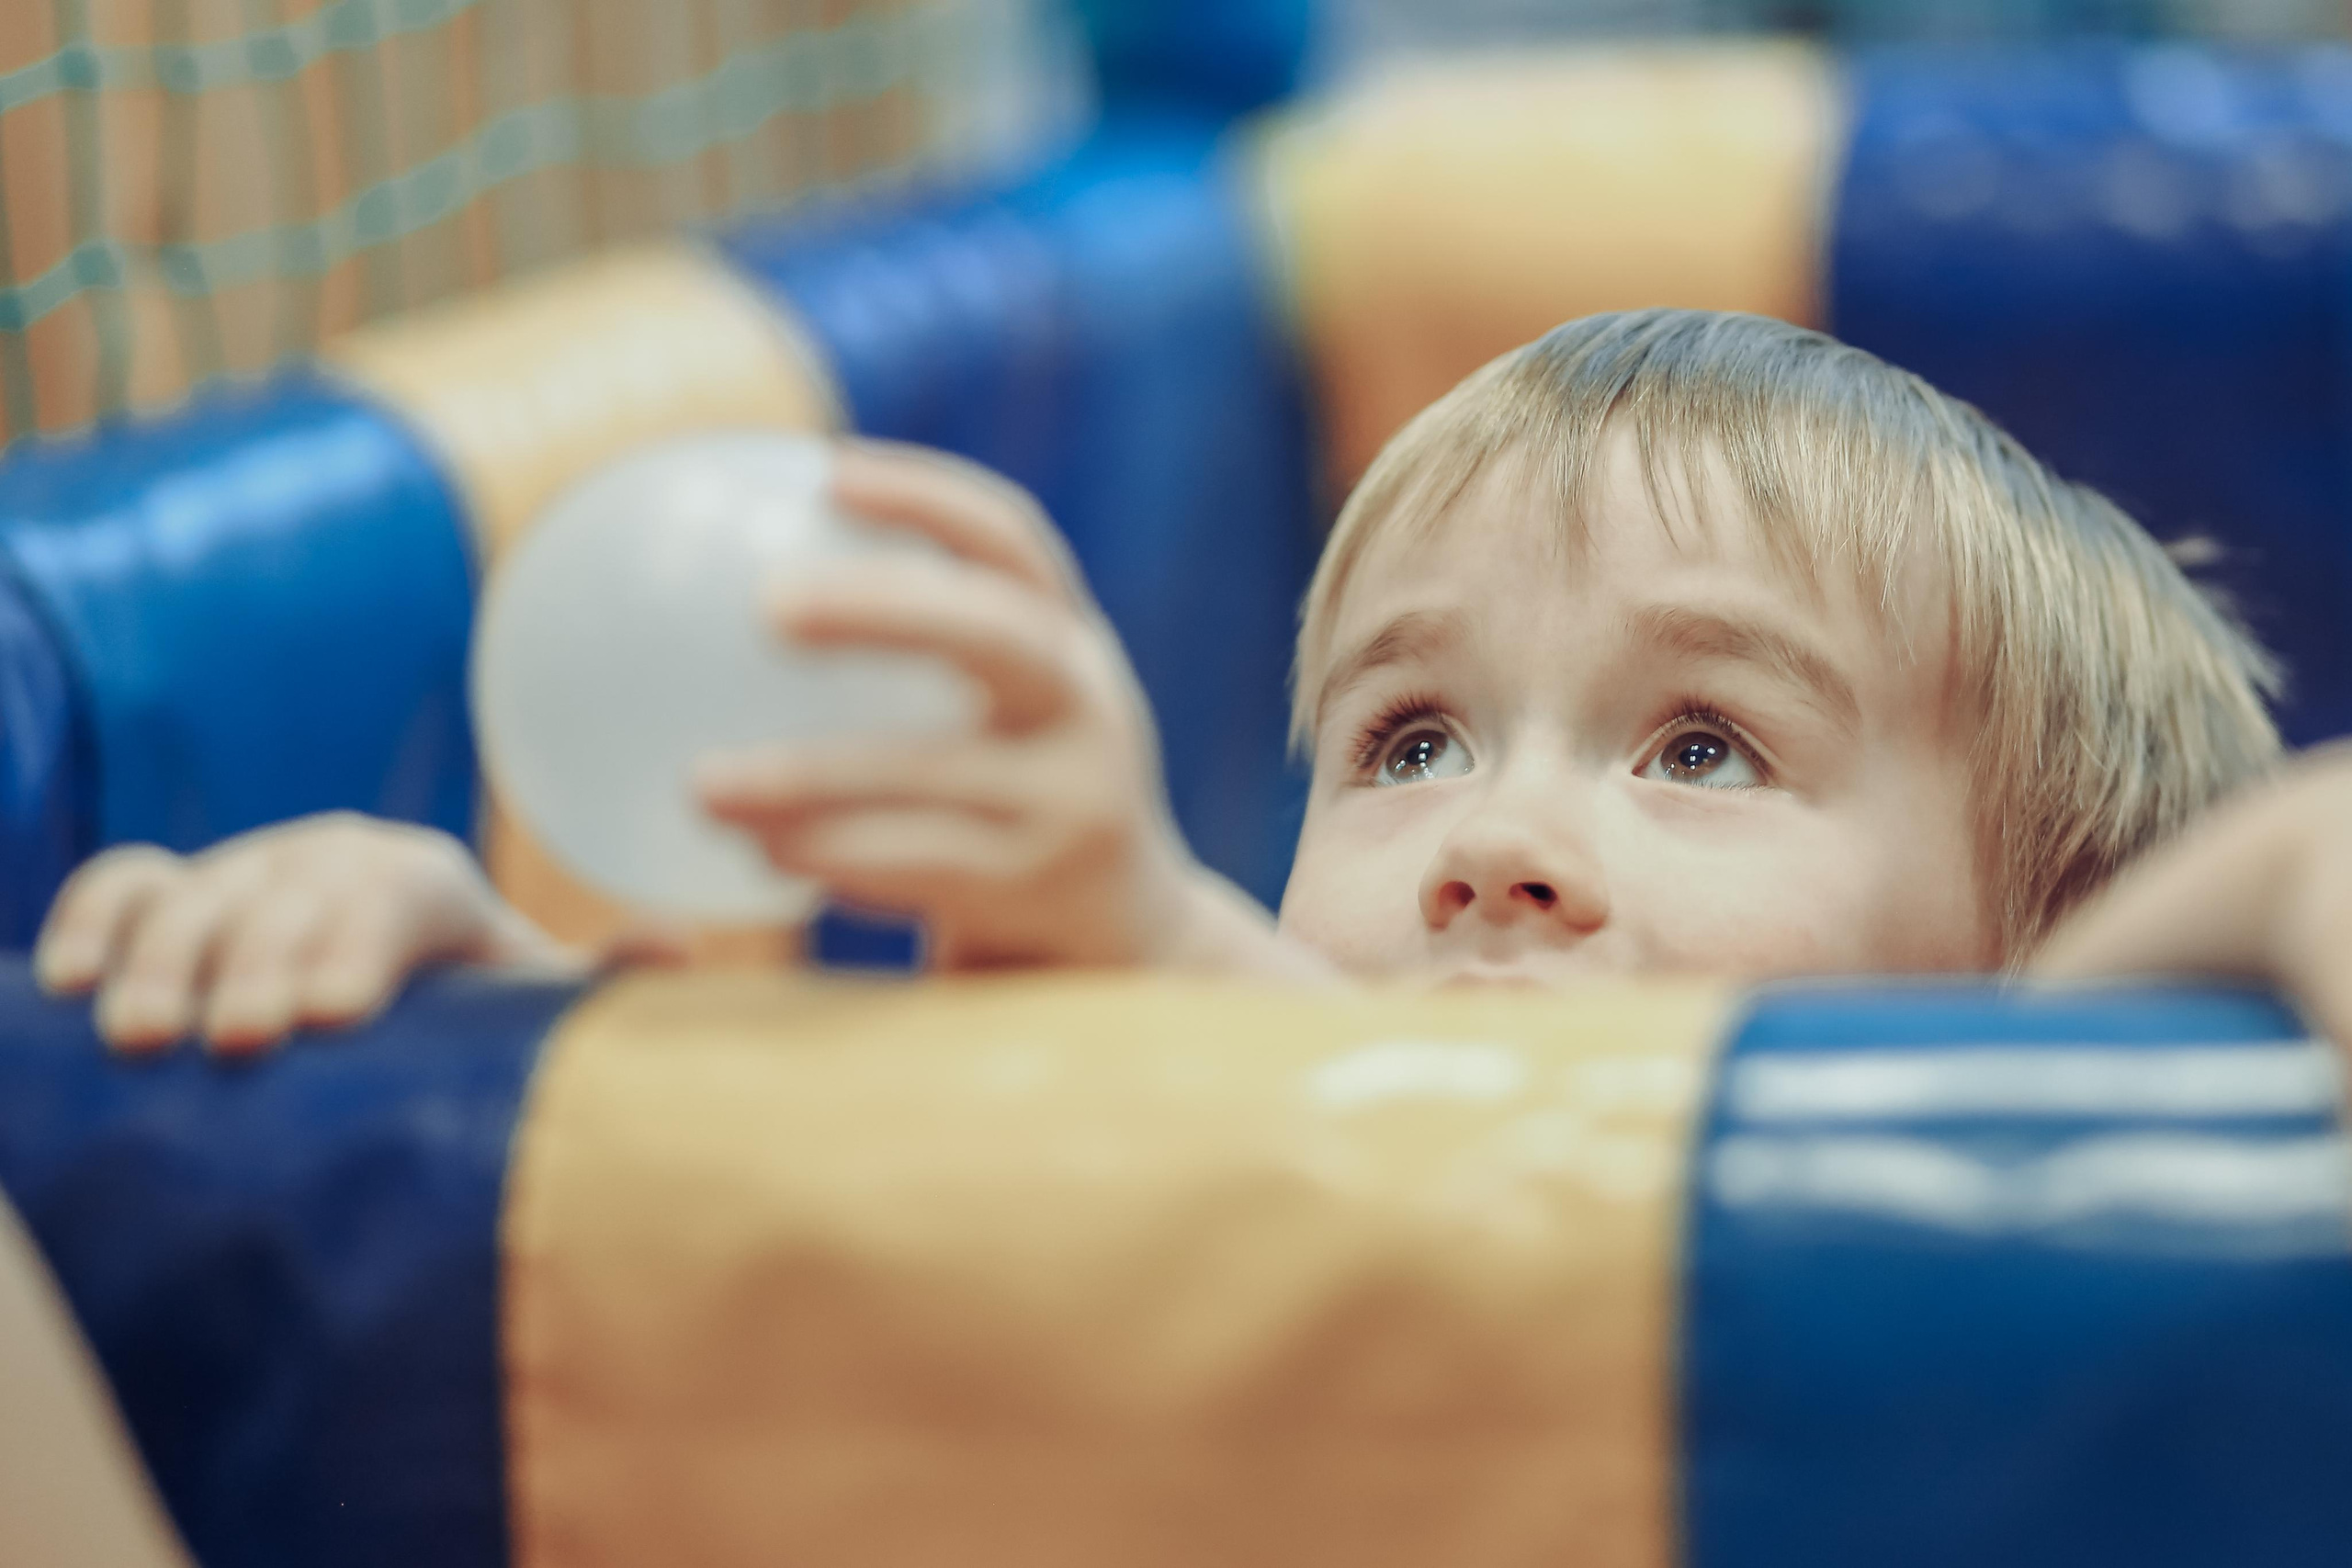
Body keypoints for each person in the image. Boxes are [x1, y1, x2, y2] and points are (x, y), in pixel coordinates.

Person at [31, 310, 2348, 1046]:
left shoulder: (2018, 1146)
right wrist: (491, 1001)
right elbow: (830, 1216)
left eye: (1701, 745)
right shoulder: (1223, 1136)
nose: (1496, 848)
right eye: (1408, 738)